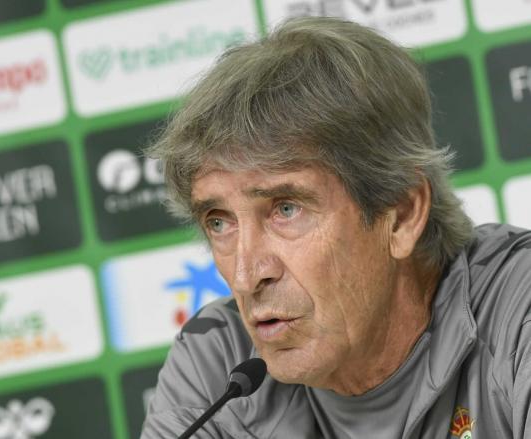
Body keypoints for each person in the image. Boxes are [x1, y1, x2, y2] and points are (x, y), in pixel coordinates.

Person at [141, 16, 531, 438]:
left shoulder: (517, 309)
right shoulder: (217, 363)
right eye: (219, 222)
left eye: (285, 209)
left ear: (400, 215)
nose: (246, 275)